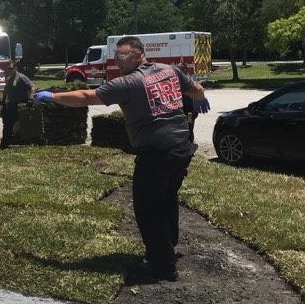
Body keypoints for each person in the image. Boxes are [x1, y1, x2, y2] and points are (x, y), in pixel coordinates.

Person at [34, 36, 211, 282]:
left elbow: (87, 96)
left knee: (148, 207)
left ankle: (161, 266)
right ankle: (168, 248)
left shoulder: (128, 83)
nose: (118, 62)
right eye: (116, 57)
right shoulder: (169, 71)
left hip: (157, 153)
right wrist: (200, 98)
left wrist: (52, 97)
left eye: (123, 57)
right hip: (181, 148)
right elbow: (196, 89)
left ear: (139, 55)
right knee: (167, 198)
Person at [0, 60, 34, 149]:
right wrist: (3, 101)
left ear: (15, 68)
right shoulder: (8, 78)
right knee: (7, 125)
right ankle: (4, 145)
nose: (10, 70)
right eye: (8, 69)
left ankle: (19, 140)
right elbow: (6, 90)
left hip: (20, 104)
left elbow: (32, 87)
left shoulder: (21, 77)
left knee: (17, 125)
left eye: (11, 68)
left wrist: (30, 98)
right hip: (10, 104)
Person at [178, 62, 198, 142]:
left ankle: (190, 145)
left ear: (186, 70)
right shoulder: (178, 80)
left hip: (189, 111)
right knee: (181, 130)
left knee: (189, 128)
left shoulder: (189, 81)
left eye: (180, 70)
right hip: (180, 111)